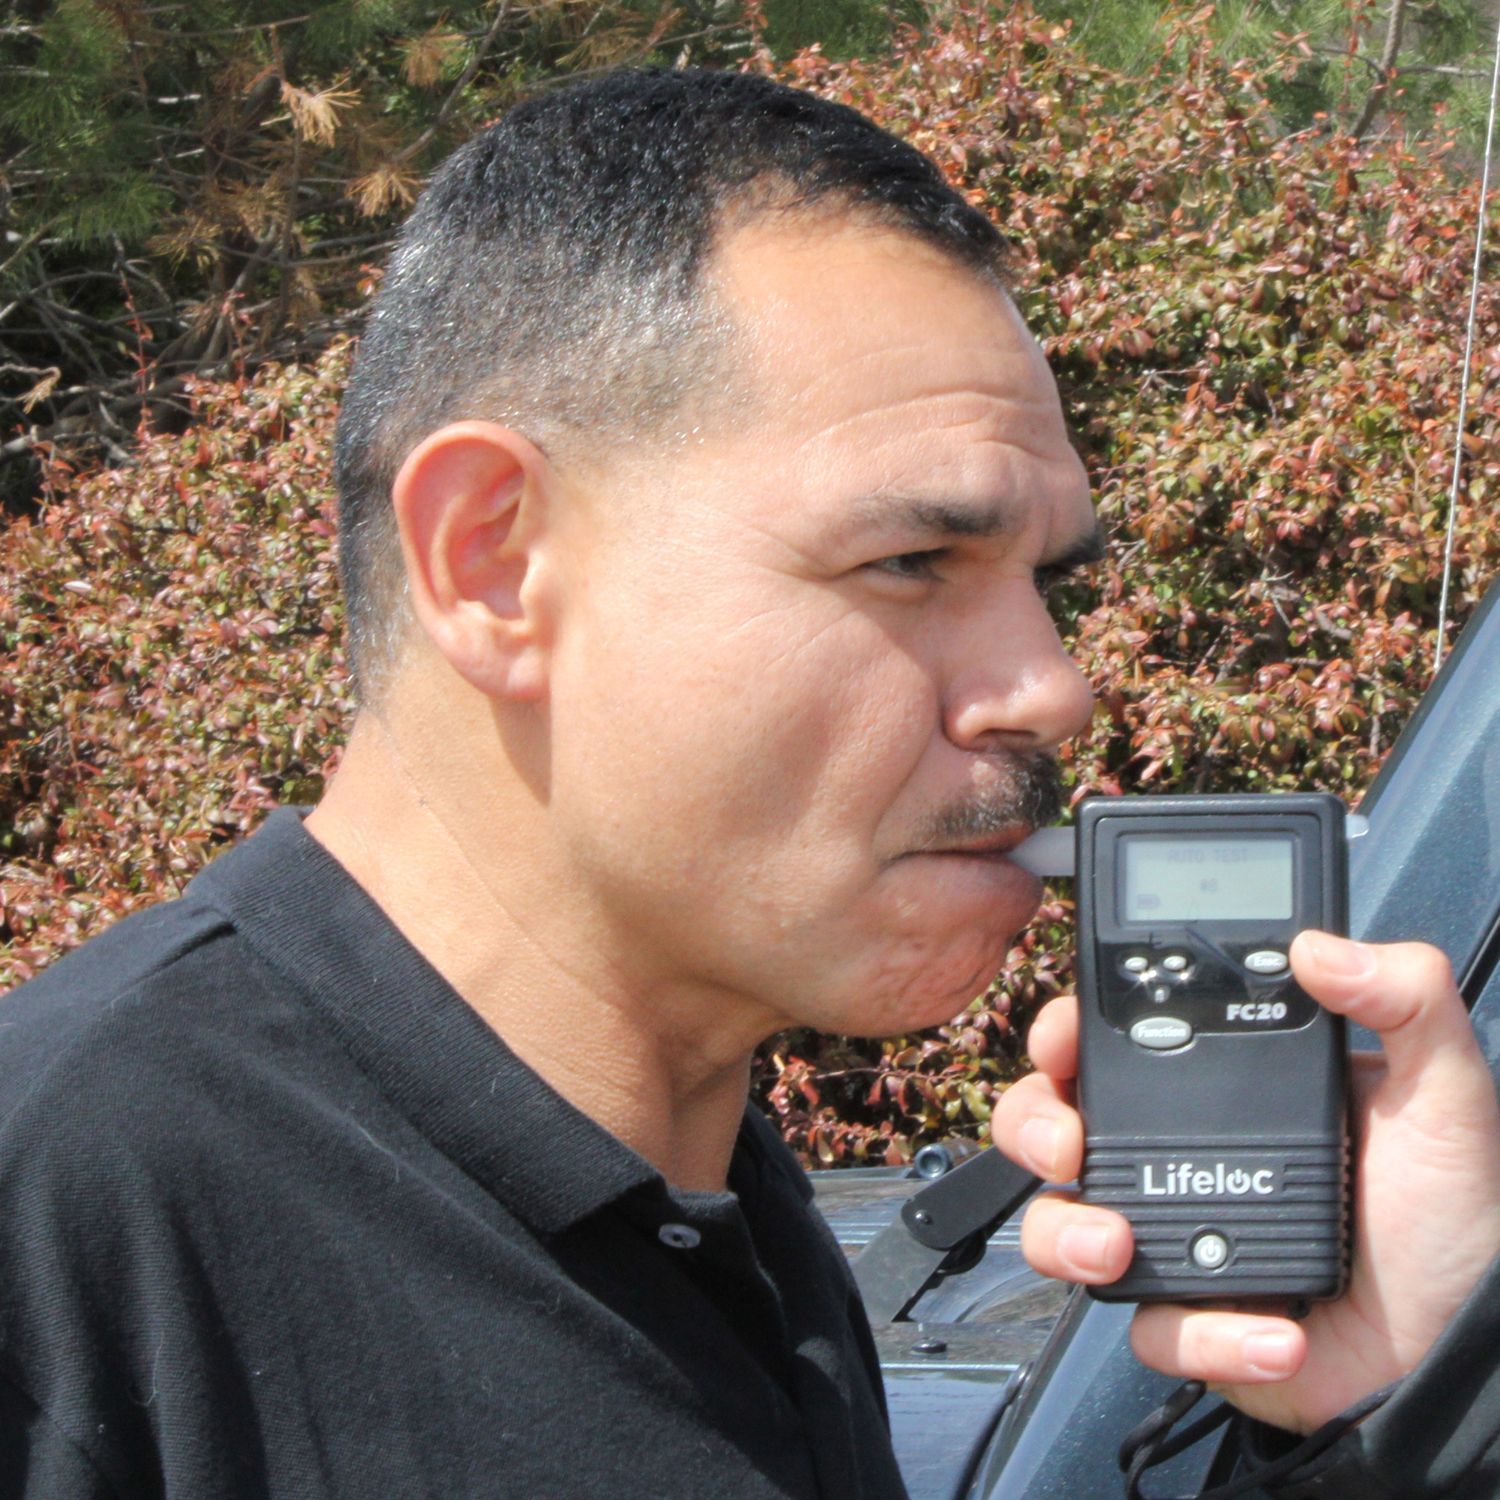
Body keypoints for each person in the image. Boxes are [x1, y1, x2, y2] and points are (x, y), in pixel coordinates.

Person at [0, 66, 1494, 1499]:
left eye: (1041, 582)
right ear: (494, 563)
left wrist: (1391, 1420)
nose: (1054, 688)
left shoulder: (727, 1234)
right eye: (913, 559)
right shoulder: (65, 1244)